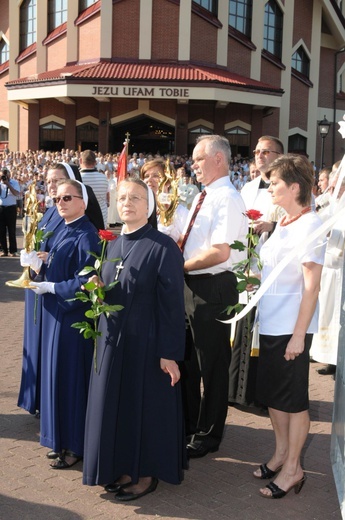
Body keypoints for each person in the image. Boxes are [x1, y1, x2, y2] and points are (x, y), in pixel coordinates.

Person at [83, 178, 186, 501]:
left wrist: (169, 352)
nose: (128, 203)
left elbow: (173, 306)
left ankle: (146, 473)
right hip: (115, 343)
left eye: (136, 198)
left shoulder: (162, 246)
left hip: (147, 343)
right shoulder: (111, 244)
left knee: (144, 409)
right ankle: (124, 465)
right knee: (121, 407)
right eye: (123, 197)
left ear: (149, 205)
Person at [253, 154, 325, 498]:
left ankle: (294, 468)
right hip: (270, 322)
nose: (269, 188)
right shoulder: (283, 222)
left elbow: (312, 286)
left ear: (294, 187)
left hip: (291, 328)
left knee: (294, 400)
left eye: (275, 182)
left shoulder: (312, 226)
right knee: (274, 396)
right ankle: (281, 453)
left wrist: (299, 335)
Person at [22, 179, 101, 469]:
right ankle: (58, 439)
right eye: (58, 198)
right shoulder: (62, 230)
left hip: (72, 319)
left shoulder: (87, 235)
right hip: (55, 315)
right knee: (55, 379)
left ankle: (75, 444)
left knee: (69, 381)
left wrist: (54, 288)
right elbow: (59, 264)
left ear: (83, 202)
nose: (61, 202)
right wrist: (39, 263)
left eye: (68, 197)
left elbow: (87, 280)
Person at [181, 135, 247, 458]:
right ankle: (192, 423)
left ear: (218, 159)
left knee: (213, 364)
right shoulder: (202, 196)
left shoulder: (227, 198)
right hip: (194, 285)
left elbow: (220, 252)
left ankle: (209, 434)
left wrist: (180, 265)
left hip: (214, 286)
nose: (193, 165)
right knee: (191, 360)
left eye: (198, 159)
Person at [228, 136, 285, 407]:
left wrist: (272, 226)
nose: (259, 155)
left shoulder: (291, 187)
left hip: (274, 272)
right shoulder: (248, 187)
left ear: (279, 156)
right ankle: (238, 392)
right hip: (247, 265)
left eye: (266, 152)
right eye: (256, 152)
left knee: (266, 332)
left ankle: (262, 395)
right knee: (243, 328)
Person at [310, 161, 345, 377]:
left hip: (340, 268)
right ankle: (331, 358)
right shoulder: (331, 201)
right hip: (328, 267)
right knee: (328, 315)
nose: (334, 184)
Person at [141, 158, 188, 242]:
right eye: (146, 176)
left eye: (156, 176)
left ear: (168, 181)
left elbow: (189, 244)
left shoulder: (180, 212)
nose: (149, 180)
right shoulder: (138, 210)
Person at [80, 149, 109, 227]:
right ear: (95, 162)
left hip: (84, 216)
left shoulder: (78, 179)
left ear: (80, 161)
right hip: (102, 214)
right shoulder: (104, 177)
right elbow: (107, 195)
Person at [0, 167, 20, 257]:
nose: (3, 177)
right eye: (2, 175)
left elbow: (16, 193)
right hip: (1, 208)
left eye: (5, 174)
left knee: (11, 230)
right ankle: (4, 250)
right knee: (1, 231)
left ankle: (13, 251)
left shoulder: (14, 183)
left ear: (9, 175)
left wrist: (8, 184)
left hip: (11, 208)